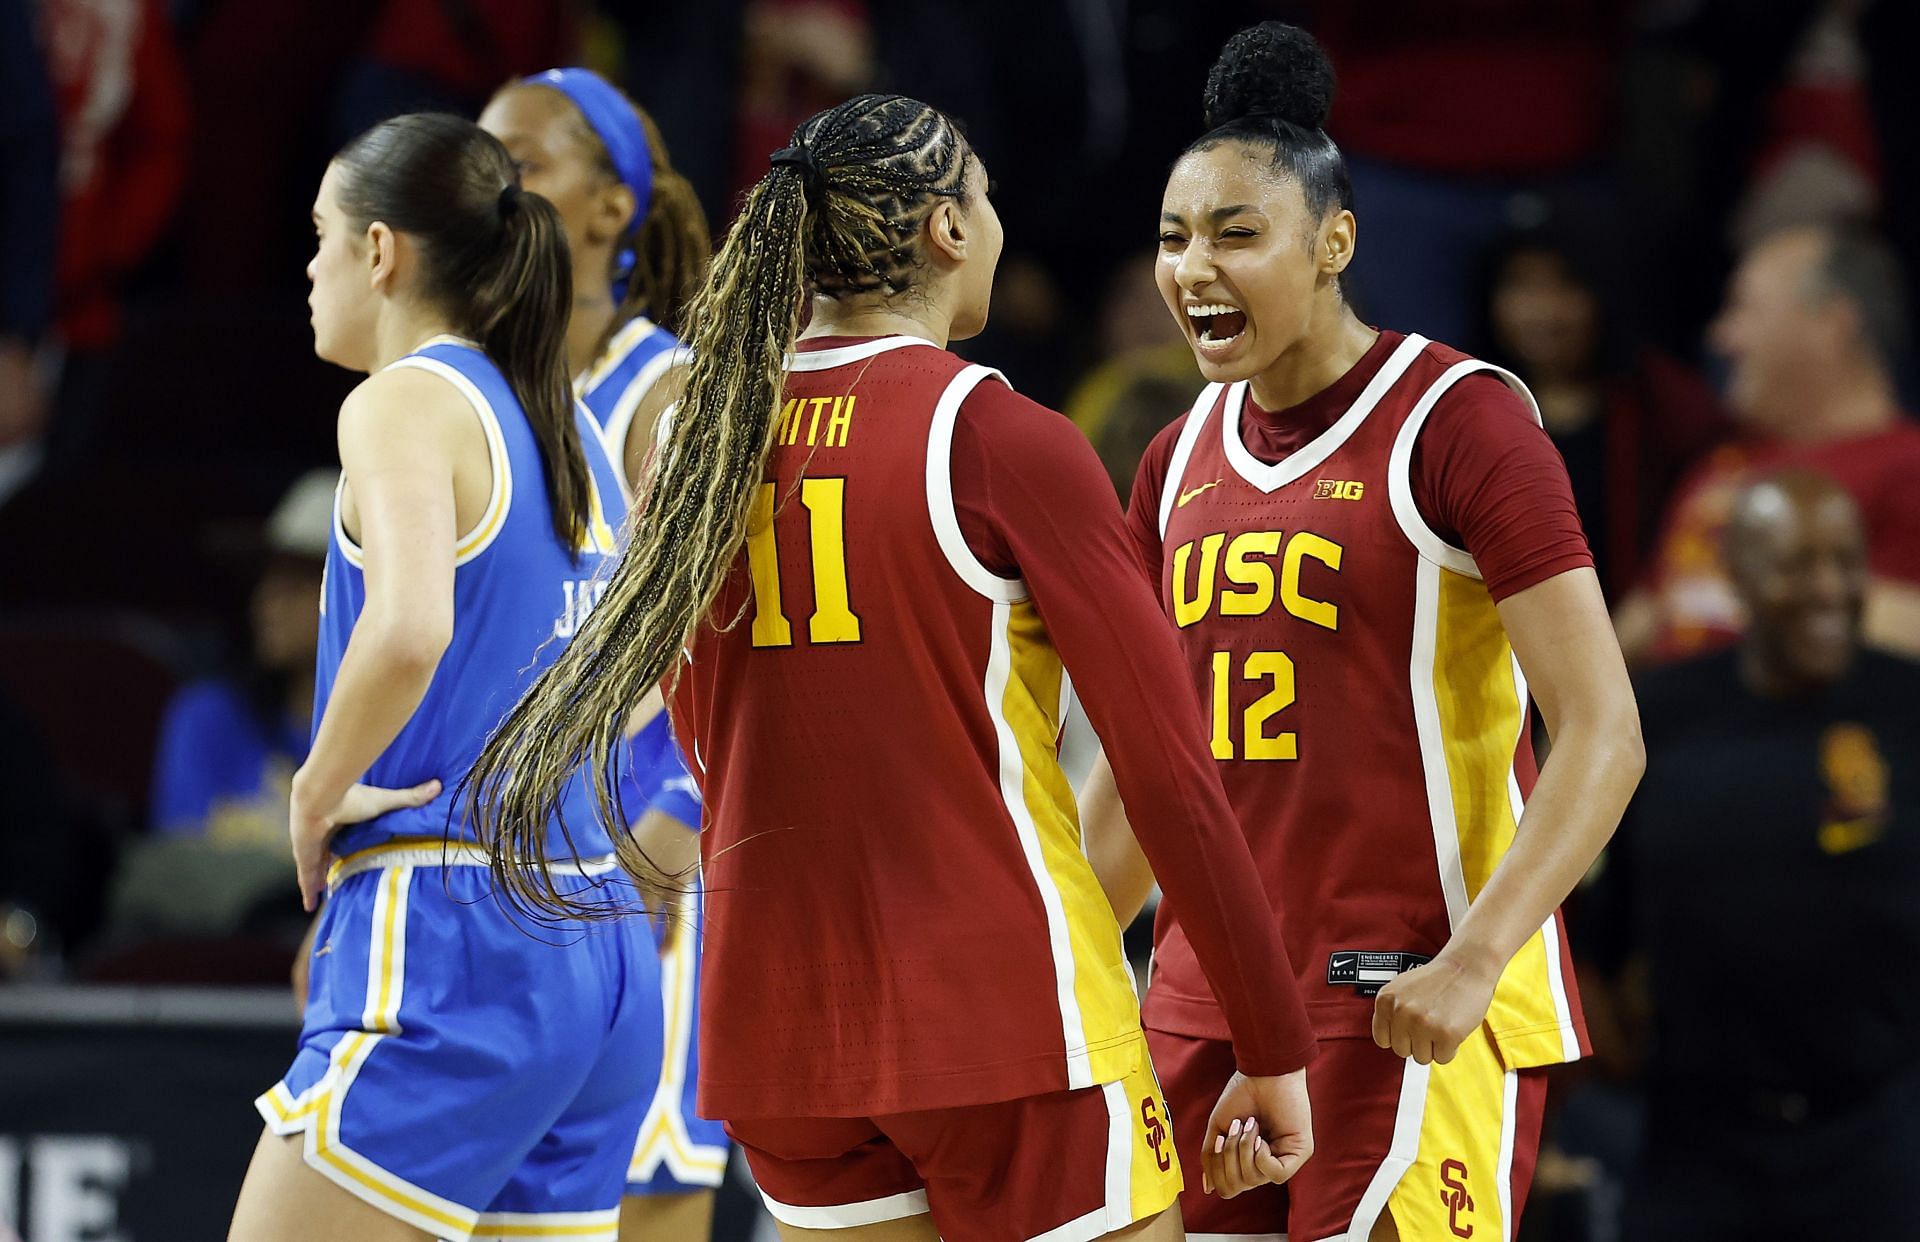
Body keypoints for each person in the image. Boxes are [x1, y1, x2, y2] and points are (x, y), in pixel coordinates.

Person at [467, 92, 1323, 1242]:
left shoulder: (693, 440)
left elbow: (700, 732)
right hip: (1003, 1013)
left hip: (780, 1034)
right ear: (949, 231)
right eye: (989, 199)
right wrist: (1271, 1045)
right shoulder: (996, 434)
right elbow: (1172, 773)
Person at [1085, 24, 1644, 1242]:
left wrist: (1478, 959)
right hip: (1206, 999)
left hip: (1400, 997)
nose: (1194, 267)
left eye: (1239, 232)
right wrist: (1063, 957)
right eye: (1177, 236)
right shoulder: (1175, 460)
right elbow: (1151, 767)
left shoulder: (1465, 421)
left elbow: (1604, 732)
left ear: (1334, 241)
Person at [227, 112, 655, 1242]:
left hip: (461, 933)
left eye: (319, 234)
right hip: (597, 934)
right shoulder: (569, 426)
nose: (309, 267)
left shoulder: (404, 400)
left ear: (381, 252)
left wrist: (316, 789)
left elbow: (410, 625)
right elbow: (647, 672)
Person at [480, 67, 728, 1240]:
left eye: (522, 166)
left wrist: (677, 815)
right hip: (485, 871)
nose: (492, 190)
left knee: (637, 1206)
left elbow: (735, 645)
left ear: (608, 207)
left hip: (637, 857)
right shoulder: (472, 391)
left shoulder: (667, 393)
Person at [1582, 470, 1920, 1240]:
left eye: (1846, 560)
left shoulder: (1910, 707)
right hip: (1695, 1143)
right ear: (1736, 574)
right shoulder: (1654, 718)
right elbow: (1588, 916)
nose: (1830, 588)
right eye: (1799, 563)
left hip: (1883, 1143)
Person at [1616, 223, 1920, 663]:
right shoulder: (1721, 464)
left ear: (1831, 325)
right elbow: (1650, 612)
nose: (1722, 337)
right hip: (1669, 721)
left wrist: (1780, 593)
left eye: (1744, 309)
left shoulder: (1907, 466)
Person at [150, 469, 334, 844]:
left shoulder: (406, 732)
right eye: (265, 582)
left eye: (295, 584)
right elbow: (184, 858)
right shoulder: (211, 716)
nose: (267, 604)